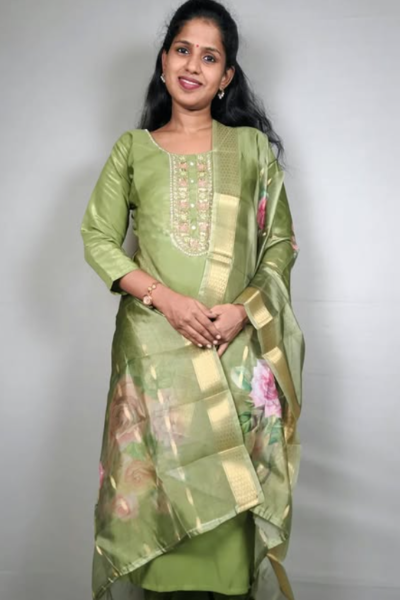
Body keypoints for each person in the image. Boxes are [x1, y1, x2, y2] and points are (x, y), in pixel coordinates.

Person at [80, 1, 305, 599]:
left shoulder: (251, 151)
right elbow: (97, 236)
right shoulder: (133, 150)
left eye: (210, 57)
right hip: (155, 366)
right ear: (163, 60)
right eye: (183, 50)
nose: (192, 66)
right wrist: (167, 301)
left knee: (227, 540)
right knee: (158, 522)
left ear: (226, 76)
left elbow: (280, 244)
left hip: (232, 356)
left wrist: (243, 309)